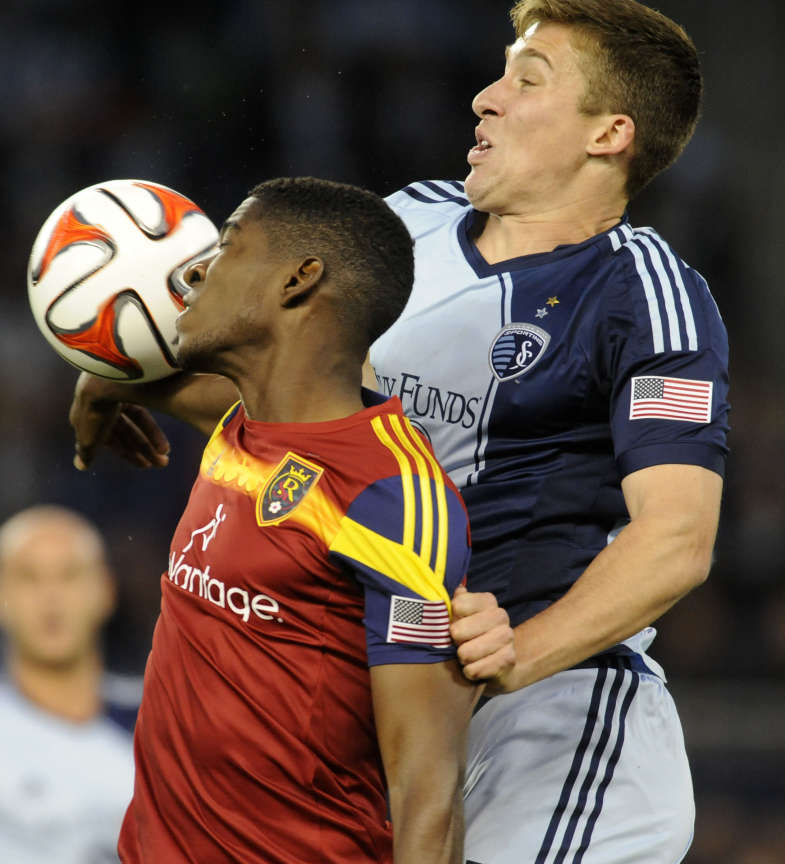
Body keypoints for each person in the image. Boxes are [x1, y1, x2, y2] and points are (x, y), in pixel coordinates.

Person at [69, 1, 729, 861]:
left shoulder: (646, 296)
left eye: (525, 81)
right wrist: (138, 381)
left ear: (608, 134)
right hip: (390, 694)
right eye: (499, 72)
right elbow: (308, 437)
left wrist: (513, 655)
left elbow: (676, 537)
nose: (483, 98)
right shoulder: (407, 222)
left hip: (554, 713)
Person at [73, 177, 481, 864]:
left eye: (228, 246)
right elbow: (128, 372)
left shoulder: (392, 497)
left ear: (298, 280)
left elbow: (425, 788)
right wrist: (97, 391)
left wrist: (102, 388)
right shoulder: (242, 425)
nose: (196, 269)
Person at [0, 505, 135, 864]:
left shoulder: (164, 727)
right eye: (29, 577)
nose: (51, 598)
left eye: (69, 575)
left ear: (106, 591)